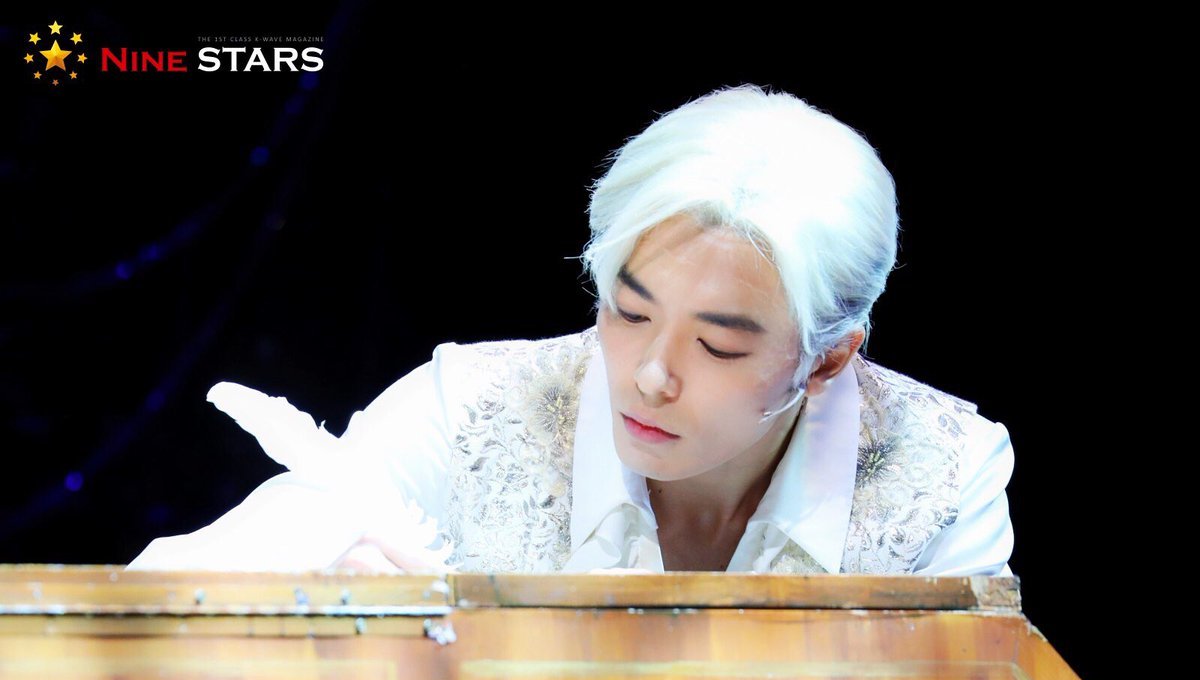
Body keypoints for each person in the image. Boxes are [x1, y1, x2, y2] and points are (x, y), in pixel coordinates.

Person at [126, 83, 1016, 577]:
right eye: (629, 311)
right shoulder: (469, 411)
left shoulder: (944, 476)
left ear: (829, 359)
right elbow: (162, 596)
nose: (651, 374)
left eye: (718, 345)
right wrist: (317, 577)